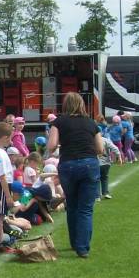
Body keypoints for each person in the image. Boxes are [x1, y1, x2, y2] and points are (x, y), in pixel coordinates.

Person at [46, 92, 104, 258]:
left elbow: (51, 146)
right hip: (89, 164)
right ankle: (82, 247)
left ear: (65, 105)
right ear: (81, 105)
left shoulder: (59, 122)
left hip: (68, 164)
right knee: (85, 209)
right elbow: (100, 149)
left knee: (72, 205)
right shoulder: (91, 122)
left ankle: (74, 242)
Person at [98, 135, 122, 200]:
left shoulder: (91, 140)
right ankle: (105, 193)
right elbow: (115, 148)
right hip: (106, 163)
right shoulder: (105, 140)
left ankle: (97, 196)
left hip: (96, 163)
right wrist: (119, 157)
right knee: (105, 178)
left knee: (96, 179)